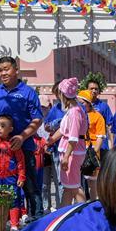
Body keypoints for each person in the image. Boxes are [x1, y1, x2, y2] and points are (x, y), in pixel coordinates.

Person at [0, 56, 43, 219]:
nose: (3, 73)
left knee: (30, 186)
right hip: (0, 153)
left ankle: (36, 219)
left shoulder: (28, 92)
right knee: (3, 188)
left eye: (6, 69)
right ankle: (7, 220)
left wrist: (22, 137)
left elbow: (37, 119)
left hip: (24, 148)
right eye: (0, 70)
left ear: (16, 70)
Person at [48, 77, 89, 207]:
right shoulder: (72, 110)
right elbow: (63, 130)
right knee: (68, 186)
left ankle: (84, 214)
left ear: (63, 94)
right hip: (70, 151)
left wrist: (66, 156)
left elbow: (73, 137)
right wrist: (50, 140)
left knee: (74, 187)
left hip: (72, 152)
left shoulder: (75, 112)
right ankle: (63, 214)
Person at [0, 115, 28, 231]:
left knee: (13, 199)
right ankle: (1, 224)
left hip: (11, 177)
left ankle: (14, 224)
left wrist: (21, 176)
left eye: (2, 126)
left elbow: (20, 160)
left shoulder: (13, 143)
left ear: (10, 129)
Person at [42, 82, 66, 212]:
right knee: (59, 182)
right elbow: (46, 126)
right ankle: (60, 209)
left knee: (71, 183)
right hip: (57, 150)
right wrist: (55, 125)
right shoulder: (55, 109)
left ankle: (67, 209)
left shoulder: (75, 108)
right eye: (57, 93)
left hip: (72, 150)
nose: (60, 95)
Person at [85, 76, 113, 152]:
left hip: (101, 146)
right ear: (86, 90)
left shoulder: (104, 106)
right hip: (84, 145)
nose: (94, 91)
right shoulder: (81, 105)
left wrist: (112, 146)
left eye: (96, 89)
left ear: (98, 91)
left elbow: (110, 126)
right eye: (91, 88)